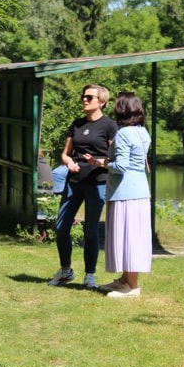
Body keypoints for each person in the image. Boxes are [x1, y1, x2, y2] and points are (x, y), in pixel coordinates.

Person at [48, 84, 118, 289]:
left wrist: (99, 163)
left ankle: (90, 275)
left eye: (90, 97)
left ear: (102, 102)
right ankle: (65, 270)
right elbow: (65, 153)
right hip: (74, 182)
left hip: (97, 183)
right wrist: (68, 162)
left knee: (90, 229)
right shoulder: (77, 124)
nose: (84, 100)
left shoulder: (109, 126)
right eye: (83, 96)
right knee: (61, 227)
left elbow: (114, 157)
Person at [85, 92, 152, 298]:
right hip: (140, 191)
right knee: (132, 236)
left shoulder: (123, 134)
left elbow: (121, 166)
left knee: (128, 238)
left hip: (125, 193)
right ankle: (124, 280)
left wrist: (101, 162)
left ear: (121, 110)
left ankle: (131, 287)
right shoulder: (143, 132)